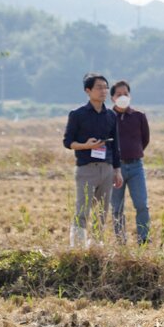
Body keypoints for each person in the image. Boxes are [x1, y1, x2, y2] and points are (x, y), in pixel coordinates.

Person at [62, 73, 123, 246]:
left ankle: (96, 246)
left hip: (107, 168)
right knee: (83, 209)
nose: (103, 91)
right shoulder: (77, 115)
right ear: (87, 91)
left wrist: (117, 170)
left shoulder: (111, 116)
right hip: (86, 168)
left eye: (105, 87)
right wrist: (86, 146)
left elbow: (115, 145)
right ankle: (78, 247)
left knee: (102, 211)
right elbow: (68, 142)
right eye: (99, 87)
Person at [109, 80, 152, 245]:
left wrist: (134, 151)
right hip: (114, 168)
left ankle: (144, 238)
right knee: (117, 207)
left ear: (130, 96)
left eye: (125, 94)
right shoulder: (108, 117)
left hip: (136, 166)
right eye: (119, 94)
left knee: (141, 204)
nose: (122, 97)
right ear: (112, 97)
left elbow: (145, 139)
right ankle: (121, 240)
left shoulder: (138, 116)